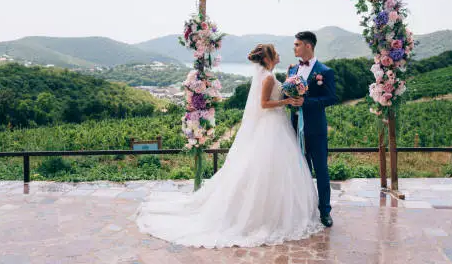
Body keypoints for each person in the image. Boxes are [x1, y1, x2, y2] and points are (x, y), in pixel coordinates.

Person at [136, 43, 323, 248]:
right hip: (272, 124)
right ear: (268, 58)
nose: (279, 55)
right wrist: (286, 102)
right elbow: (264, 104)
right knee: (269, 167)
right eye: (276, 53)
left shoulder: (267, 74)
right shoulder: (268, 77)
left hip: (276, 124)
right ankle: (267, 216)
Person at [287, 31, 338, 227]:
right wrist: (291, 102)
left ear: (308, 46)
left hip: (315, 129)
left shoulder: (324, 71)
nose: (294, 47)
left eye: (297, 44)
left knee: (322, 171)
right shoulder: (292, 71)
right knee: (301, 170)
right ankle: (304, 209)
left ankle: (325, 211)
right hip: (294, 127)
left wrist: (305, 102)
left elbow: (332, 98)